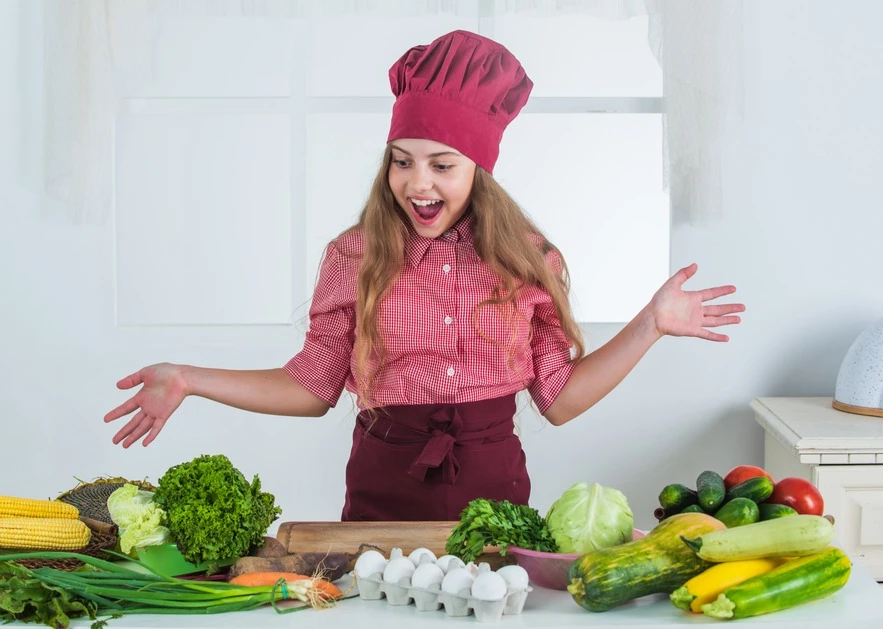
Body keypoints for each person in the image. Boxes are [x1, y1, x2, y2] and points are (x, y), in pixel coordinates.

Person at [104, 30, 744, 522]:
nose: (417, 183)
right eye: (402, 162)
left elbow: (560, 402)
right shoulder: (354, 257)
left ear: (478, 169)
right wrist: (189, 379)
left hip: (494, 495)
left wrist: (651, 325)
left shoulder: (527, 260)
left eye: (442, 165)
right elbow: (312, 387)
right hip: (381, 489)